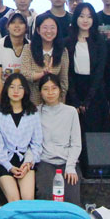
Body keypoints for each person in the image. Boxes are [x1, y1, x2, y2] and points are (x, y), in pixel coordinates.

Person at [0, 73, 42, 203]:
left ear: (25, 90)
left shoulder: (33, 113)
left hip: (25, 160)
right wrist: (10, 167)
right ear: (6, 89)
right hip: (4, 161)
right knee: (14, 199)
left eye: (20, 87)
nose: (16, 91)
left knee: (28, 199)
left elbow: (36, 144)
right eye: (12, 87)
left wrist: (28, 163)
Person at [36, 74, 83, 205]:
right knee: (45, 194)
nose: (50, 92)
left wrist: (70, 166)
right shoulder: (35, 112)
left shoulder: (71, 112)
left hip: (67, 160)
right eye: (46, 89)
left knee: (72, 197)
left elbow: (76, 143)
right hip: (45, 161)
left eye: (54, 88)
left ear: (60, 90)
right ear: (40, 92)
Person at [66, 3, 110, 133]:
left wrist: (88, 100)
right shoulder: (68, 42)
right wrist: (75, 99)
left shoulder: (99, 41)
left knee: (95, 130)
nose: (85, 20)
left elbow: (100, 71)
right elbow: (67, 72)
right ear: (75, 18)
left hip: (95, 91)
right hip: (74, 89)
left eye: (89, 17)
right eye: (81, 16)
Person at [20, 13, 69, 106]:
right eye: (45, 27)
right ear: (38, 30)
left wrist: (60, 104)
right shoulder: (28, 48)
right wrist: (42, 74)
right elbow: (25, 73)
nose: (49, 31)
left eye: (52, 27)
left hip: (54, 103)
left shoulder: (62, 51)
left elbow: (64, 81)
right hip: (32, 103)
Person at [0, 12, 30, 109]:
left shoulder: (30, 46)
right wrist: (4, 104)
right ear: (7, 26)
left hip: (21, 91)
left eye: (21, 23)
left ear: (26, 27)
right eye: (13, 22)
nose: (17, 26)